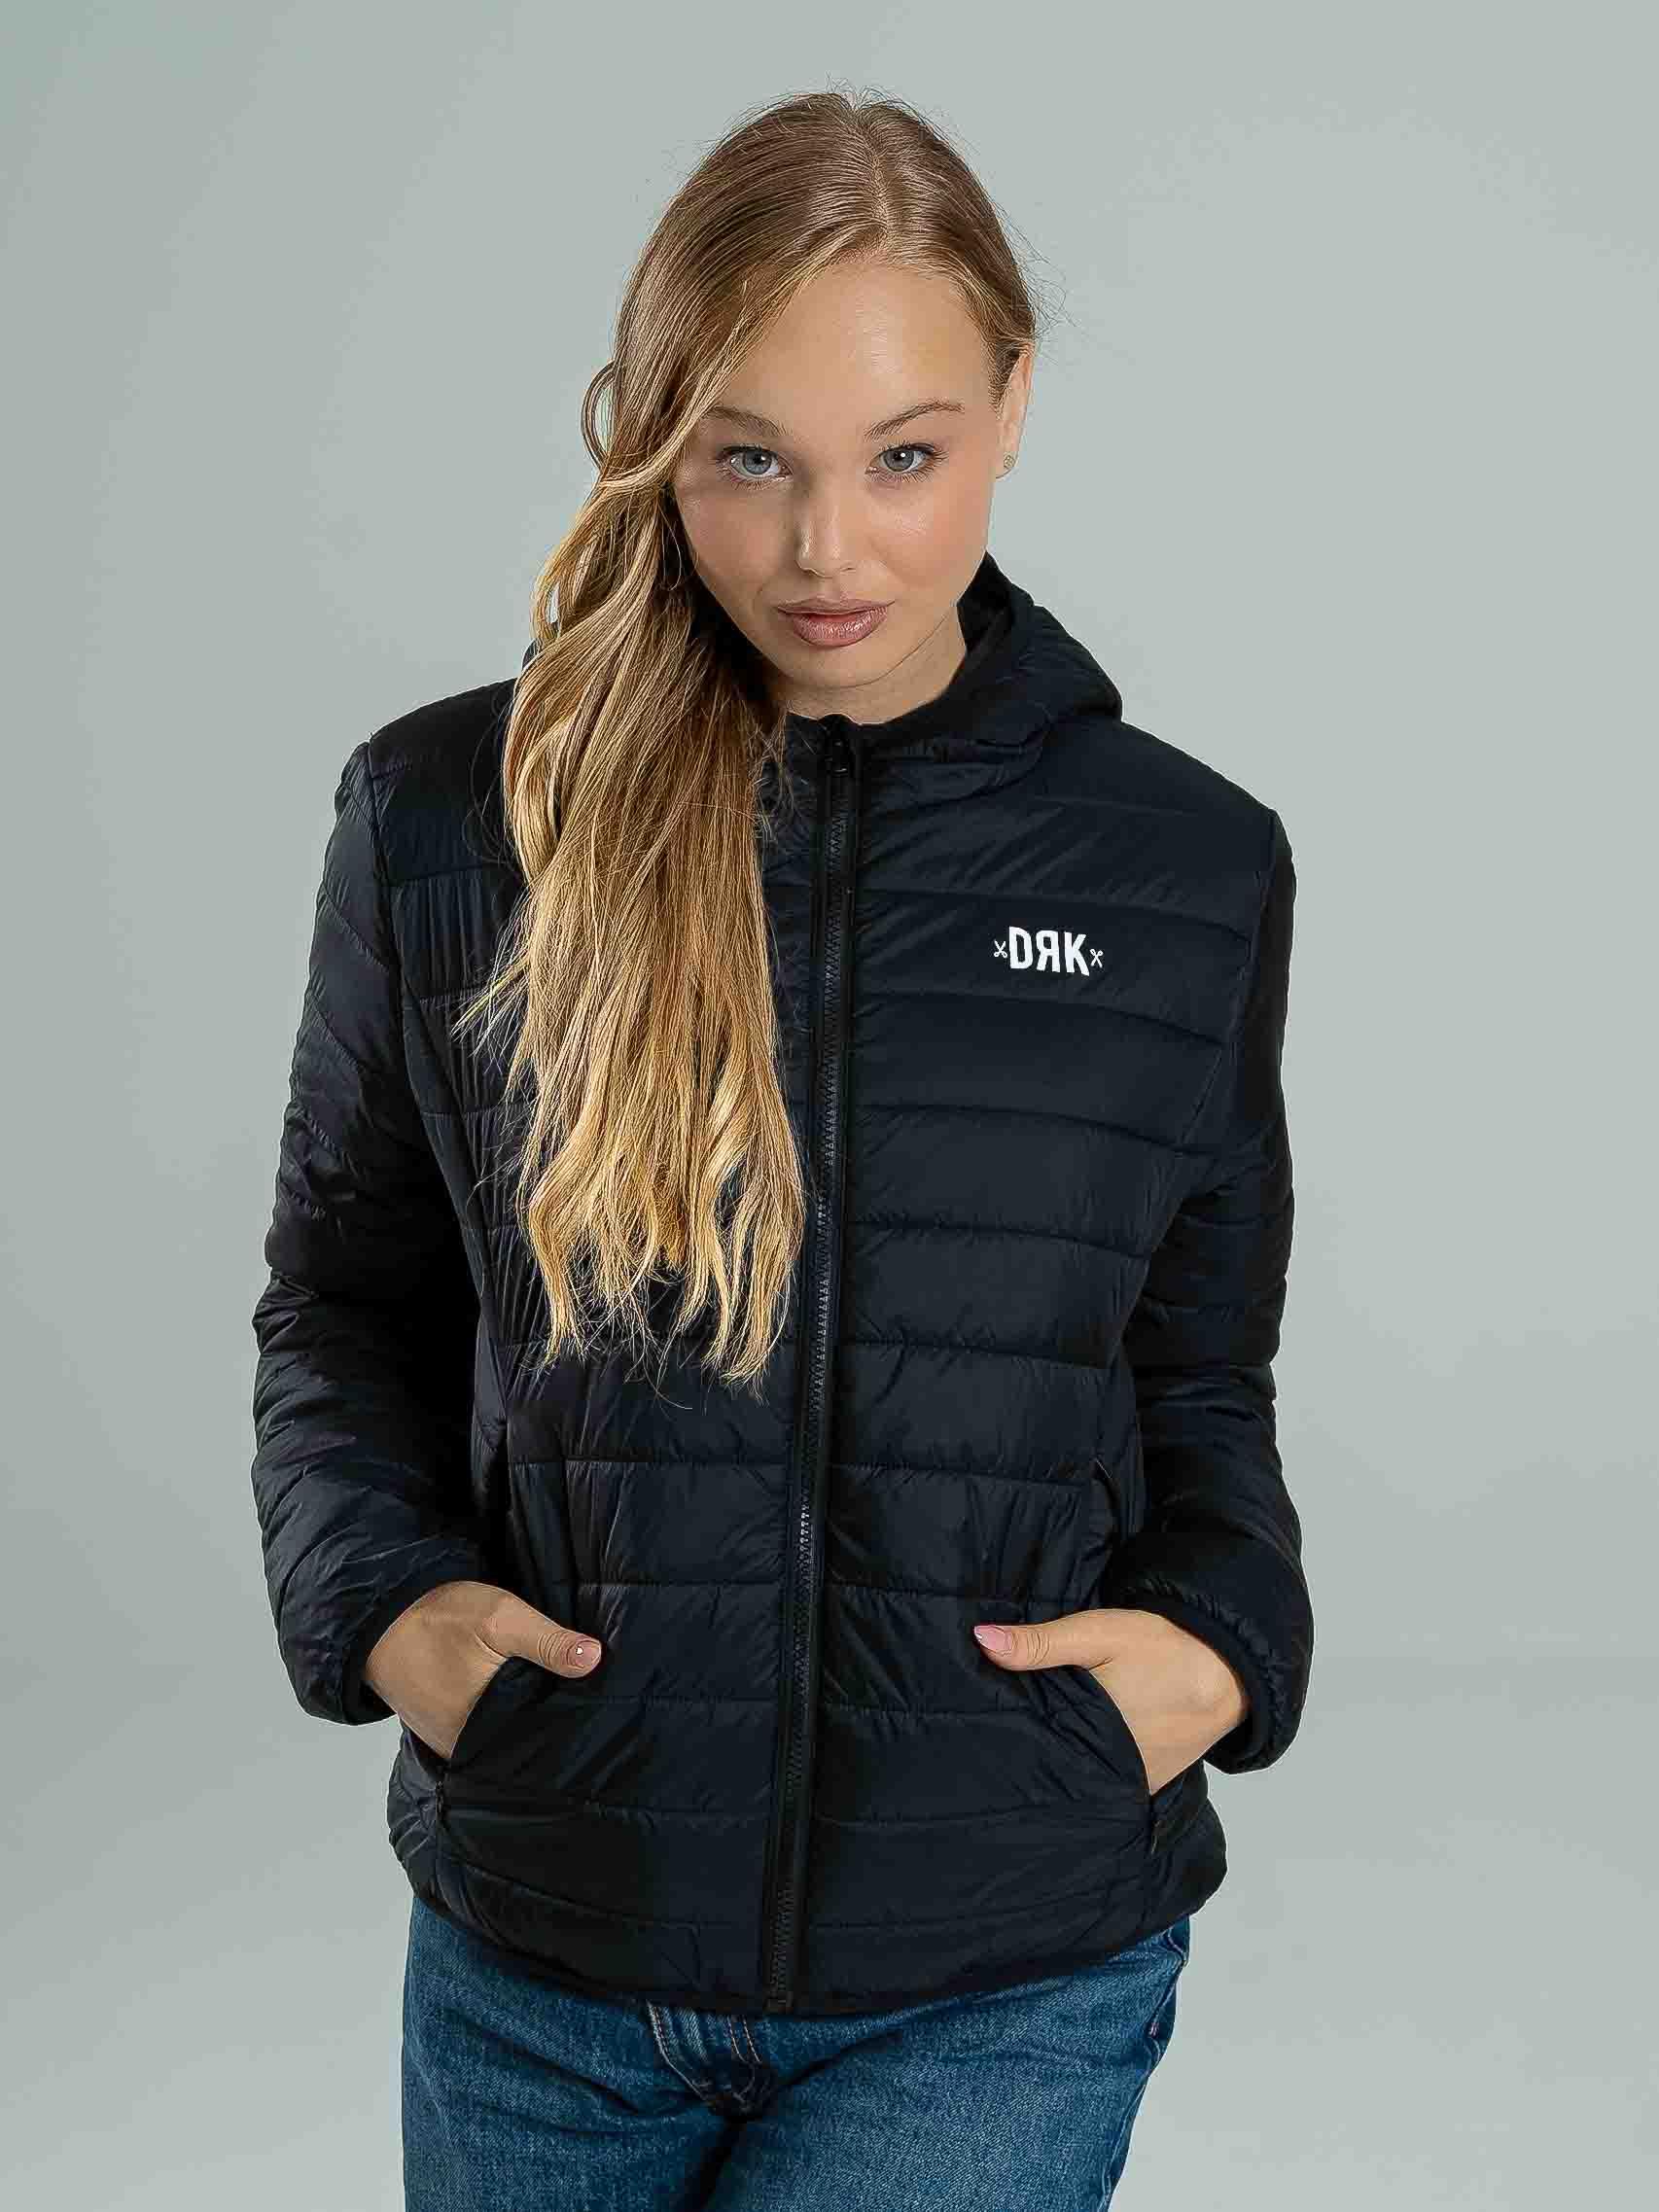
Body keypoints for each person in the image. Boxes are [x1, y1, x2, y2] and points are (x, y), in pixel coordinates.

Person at [250, 88, 1311, 2212]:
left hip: (996, 1955)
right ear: (656, 440)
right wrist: (387, 1608)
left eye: (904, 455)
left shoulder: (1183, 867)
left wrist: (1220, 1646)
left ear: (1013, 408)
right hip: (552, 1940)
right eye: (749, 459)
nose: (828, 550)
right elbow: (345, 1304)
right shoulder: (456, 823)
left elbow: (1196, 1371)